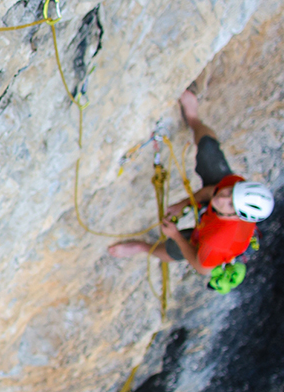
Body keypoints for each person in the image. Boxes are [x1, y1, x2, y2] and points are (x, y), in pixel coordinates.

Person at [108, 89, 274, 275]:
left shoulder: (218, 241)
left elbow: (201, 267)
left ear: (236, 215)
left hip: (214, 240)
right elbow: (211, 193)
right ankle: (193, 118)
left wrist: (176, 235)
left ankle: (142, 248)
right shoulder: (233, 187)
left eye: (229, 204)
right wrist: (183, 204)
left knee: (175, 249)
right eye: (229, 193)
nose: (222, 197)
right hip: (216, 220)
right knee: (208, 150)